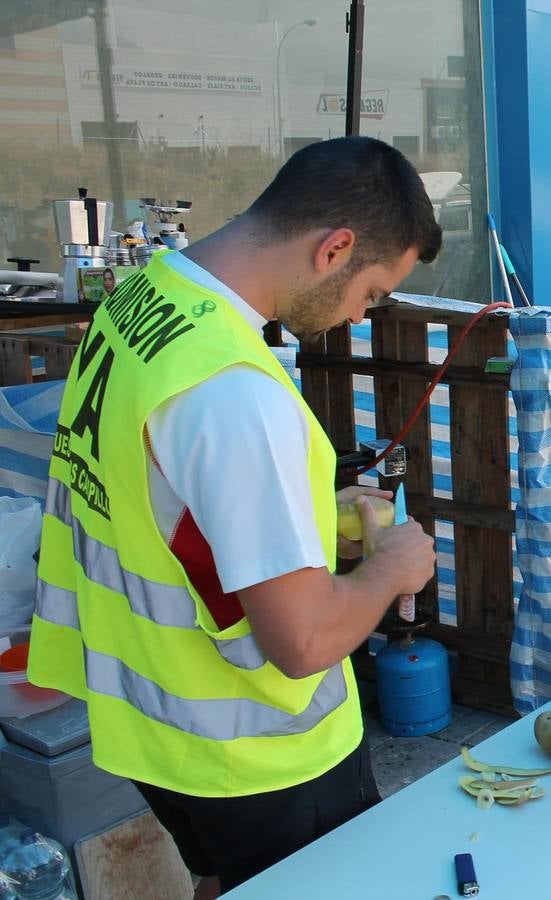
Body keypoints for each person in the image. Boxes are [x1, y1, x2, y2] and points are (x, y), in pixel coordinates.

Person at [29, 136, 441, 899]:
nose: (359, 313)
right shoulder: (235, 392)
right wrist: (391, 569)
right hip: (261, 755)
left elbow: (163, 498)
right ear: (335, 248)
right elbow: (305, 641)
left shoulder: (142, 301)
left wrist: (316, 514)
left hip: (155, 729)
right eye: (372, 292)